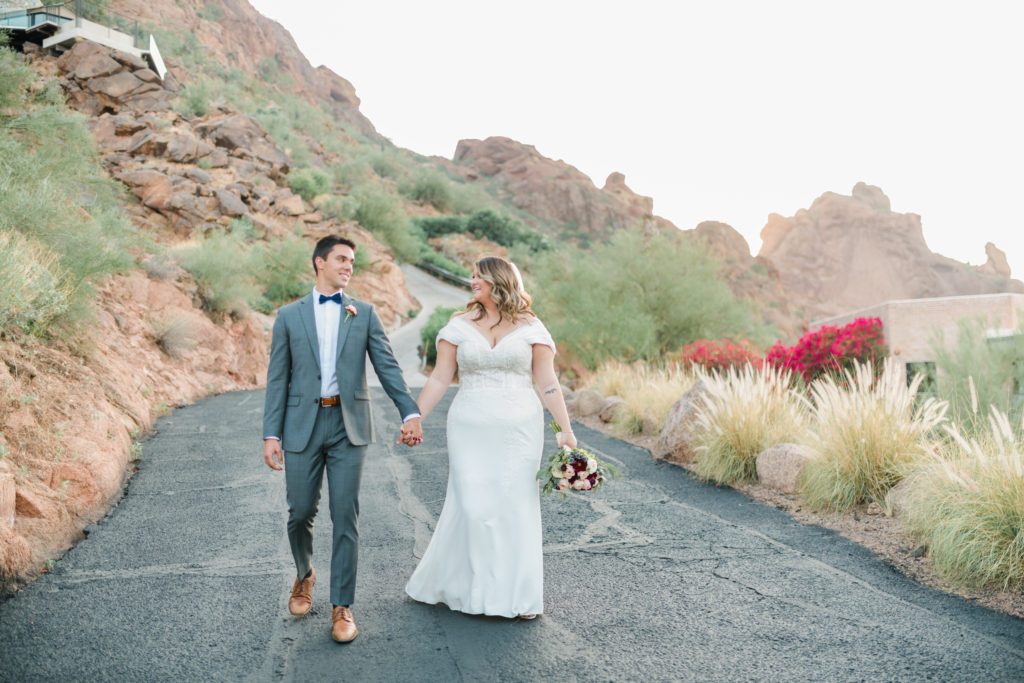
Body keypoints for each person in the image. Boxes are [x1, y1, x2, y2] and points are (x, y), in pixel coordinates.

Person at [262, 235, 423, 644]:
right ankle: (304, 575)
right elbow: (278, 379)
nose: (348, 266)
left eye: (352, 261)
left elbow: (387, 366)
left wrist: (409, 410)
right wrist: (271, 433)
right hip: (302, 425)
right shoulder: (288, 316)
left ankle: (342, 605)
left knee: (345, 515)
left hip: (349, 426)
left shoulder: (364, 313)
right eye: (341, 259)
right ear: (319, 262)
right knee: (299, 512)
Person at [403, 256, 576, 619]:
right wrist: (415, 416)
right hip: (469, 425)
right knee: (472, 505)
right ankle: (470, 588)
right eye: (471, 276)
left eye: (478, 275)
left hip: (518, 429)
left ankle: (517, 595)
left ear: (499, 280)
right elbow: (439, 378)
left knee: (514, 506)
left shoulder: (532, 327)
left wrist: (565, 431)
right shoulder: (458, 325)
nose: (472, 281)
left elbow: (547, 383)